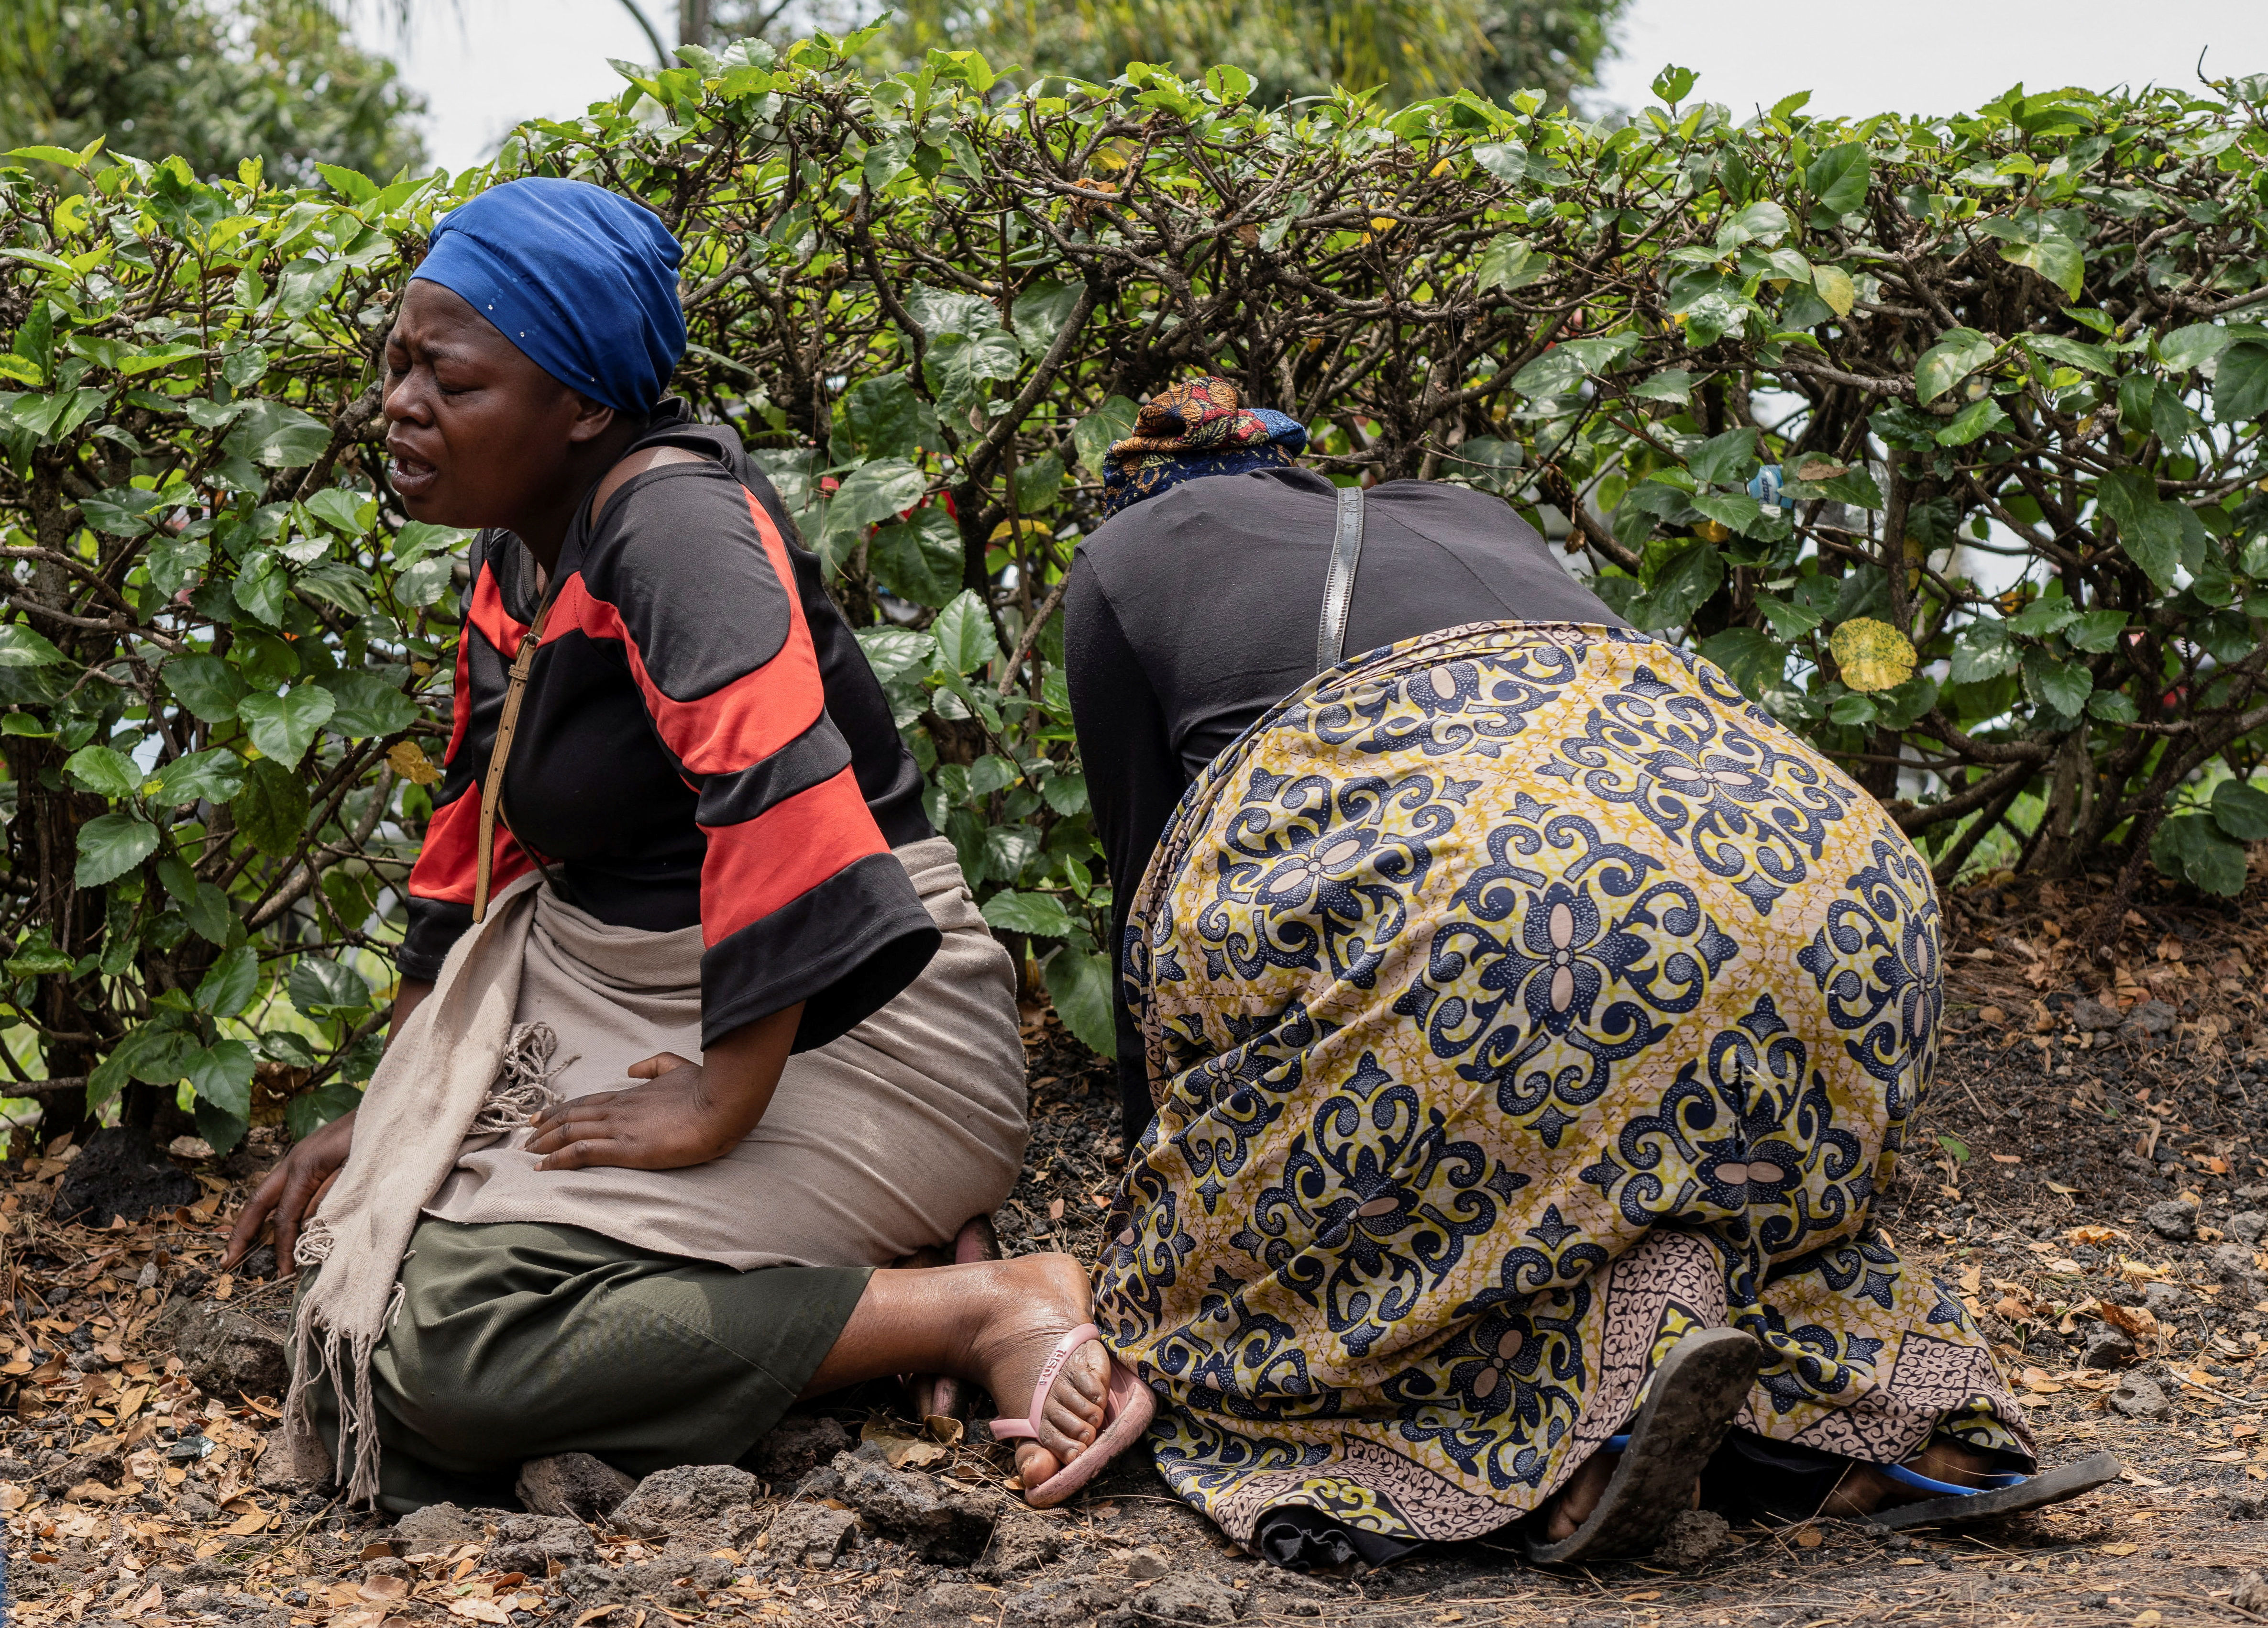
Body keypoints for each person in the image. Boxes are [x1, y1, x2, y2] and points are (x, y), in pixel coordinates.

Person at [1064, 379, 2113, 1565]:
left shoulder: (1124, 551)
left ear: (1142, 484)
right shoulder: (1469, 509)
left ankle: (1550, 1444)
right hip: (1836, 875)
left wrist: (1177, 1195)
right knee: (1692, 1192)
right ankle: (1880, 1426)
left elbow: (1155, 907)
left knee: (1213, 1310)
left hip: (1514, 898)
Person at [222, 177, 1150, 1514]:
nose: (400, 403)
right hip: (624, 989)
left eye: (450, 377)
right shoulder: (521, 555)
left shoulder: (674, 528)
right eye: (395, 363)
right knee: (362, 1261)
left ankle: (973, 1304)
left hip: (842, 1018)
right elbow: (463, 846)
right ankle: (855, 1274)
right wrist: (394, 1105)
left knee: (447, 1353)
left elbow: (780, 807)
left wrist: (723, 1100)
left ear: (583, 410)